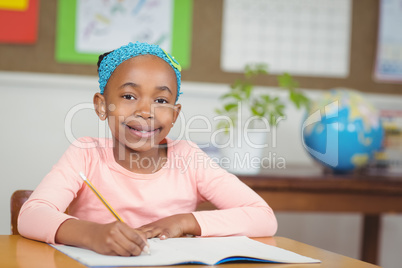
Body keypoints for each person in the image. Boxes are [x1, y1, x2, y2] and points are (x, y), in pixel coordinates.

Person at [18, 42, 277, 257]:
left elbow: (264, 218)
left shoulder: (189, 158)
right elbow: (30, 216)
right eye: (129, 96)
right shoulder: (85, 153)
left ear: (174, 115)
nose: (145, 111)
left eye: (161, 100)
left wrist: (184, 221)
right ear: (101, 105)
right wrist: (92, 234)